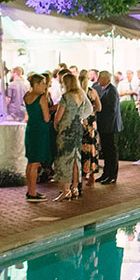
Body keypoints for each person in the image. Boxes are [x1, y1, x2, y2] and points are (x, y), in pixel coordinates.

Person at [53, 72, 86, 201]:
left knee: (65, 159)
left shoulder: (66, 97)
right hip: (77, 130)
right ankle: (75, 188)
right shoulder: (81, 95)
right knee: (76, 159)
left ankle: (66, 190)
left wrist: (56, 124)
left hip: (66, 131)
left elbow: (59, 115)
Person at [23, 74, 51, 202]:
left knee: (30, 161)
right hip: (39, 130)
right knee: (35, 163)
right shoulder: (42, 98)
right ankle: (32, 193)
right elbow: (46, 118)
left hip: (30, 129)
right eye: (43, 83)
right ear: (37, 84)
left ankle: (30, 190)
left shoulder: (27, 96)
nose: (45, 86)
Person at [95, 70, 121, 184]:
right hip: (104, 125)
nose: (98, 80)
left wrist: (99, 106)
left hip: (109, 125)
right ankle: (106, 173)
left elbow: (112, 110)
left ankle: (112, 175)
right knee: (105, 151)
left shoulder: (112, 91)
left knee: (111, 151)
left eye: (100, 78)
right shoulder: (102, 90)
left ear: (106, 79)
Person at [79, 70, 101, 187]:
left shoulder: (78, 92)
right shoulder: (92, 92)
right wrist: (92, 110)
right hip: (91, 121)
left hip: (80, 122)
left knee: (81, 147)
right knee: (92, 147)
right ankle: (91, 175)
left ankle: (80, 173)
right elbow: (99, 107)